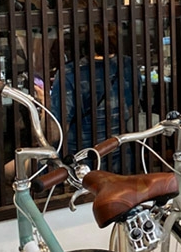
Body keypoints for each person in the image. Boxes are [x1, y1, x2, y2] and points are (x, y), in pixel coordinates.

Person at [46, 22, 136, 168]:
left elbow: (56, 134)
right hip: (119, 157)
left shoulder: (70, 73)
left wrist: (44, 102)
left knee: (12, 169)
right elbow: (131, 110)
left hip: (79, 161)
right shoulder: (128, 65)